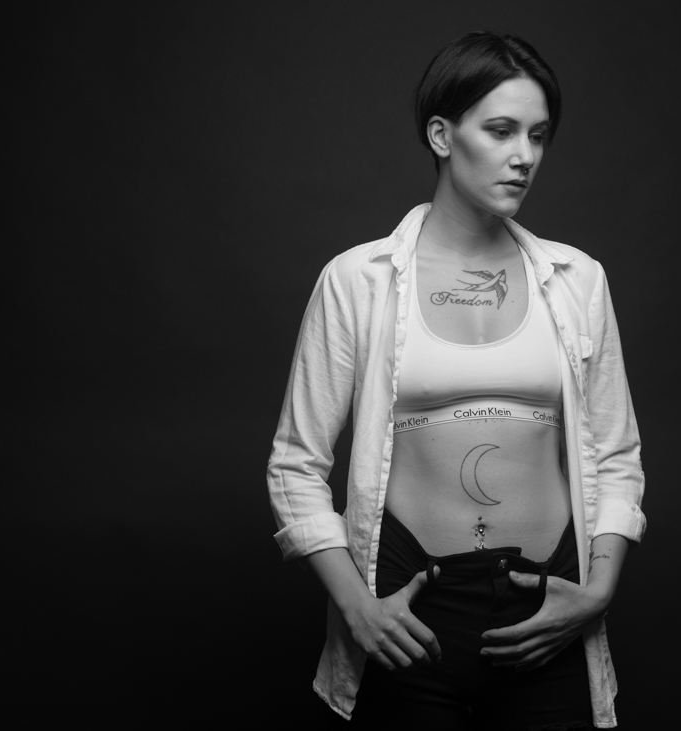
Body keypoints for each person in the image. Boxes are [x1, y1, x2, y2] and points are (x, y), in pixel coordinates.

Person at [267, 31, 645, 730]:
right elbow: (296, 463)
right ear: (442, 135)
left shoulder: (578, 280)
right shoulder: (358, 281)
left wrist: (598, 591)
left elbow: (617, 453)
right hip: (410, 609)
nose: (524, 155)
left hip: (549, 606)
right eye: (500, 131)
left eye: (538, 135)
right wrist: (356, 606)